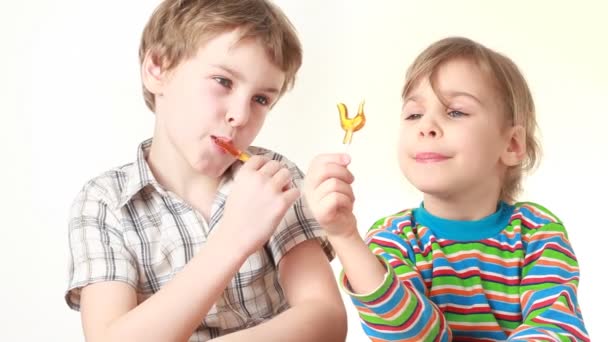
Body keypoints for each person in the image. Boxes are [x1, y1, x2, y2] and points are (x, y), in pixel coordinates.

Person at [65, 1, 347, 341]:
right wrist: (233, 239)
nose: (240, 116)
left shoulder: (274, 178)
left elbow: (326, 318)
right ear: (157, 68)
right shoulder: (105, 202)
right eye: (223, 81)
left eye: (260, 99)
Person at [304, 36, 589, 341]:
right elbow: (414, 336)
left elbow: (556, 329)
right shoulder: (393, 238)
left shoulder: (539, 233)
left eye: (455, 112)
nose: (426, 126)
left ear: (511, 144)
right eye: (414, 114)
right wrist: (344, 237)